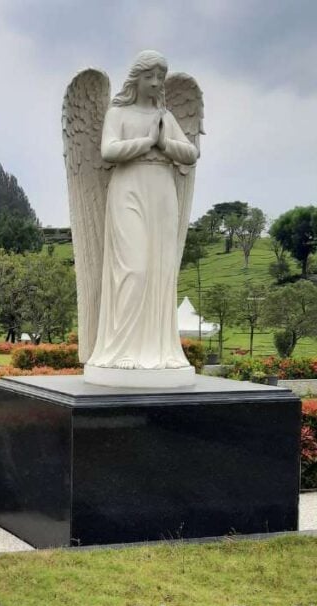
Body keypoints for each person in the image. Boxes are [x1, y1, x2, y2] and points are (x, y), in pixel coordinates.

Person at [86, 50, 198, 370]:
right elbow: (108, 150)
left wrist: (164, 144)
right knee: (133, 269)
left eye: (159, 77)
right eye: (149, 76)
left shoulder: (167, 119)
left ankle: (159, 350)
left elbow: (189, 154)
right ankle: (121, 347)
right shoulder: (118, 114)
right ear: (136, 79)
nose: (155, 82)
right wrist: (148, 141)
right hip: (128, 190)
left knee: (161, 270)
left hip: (162, 193)